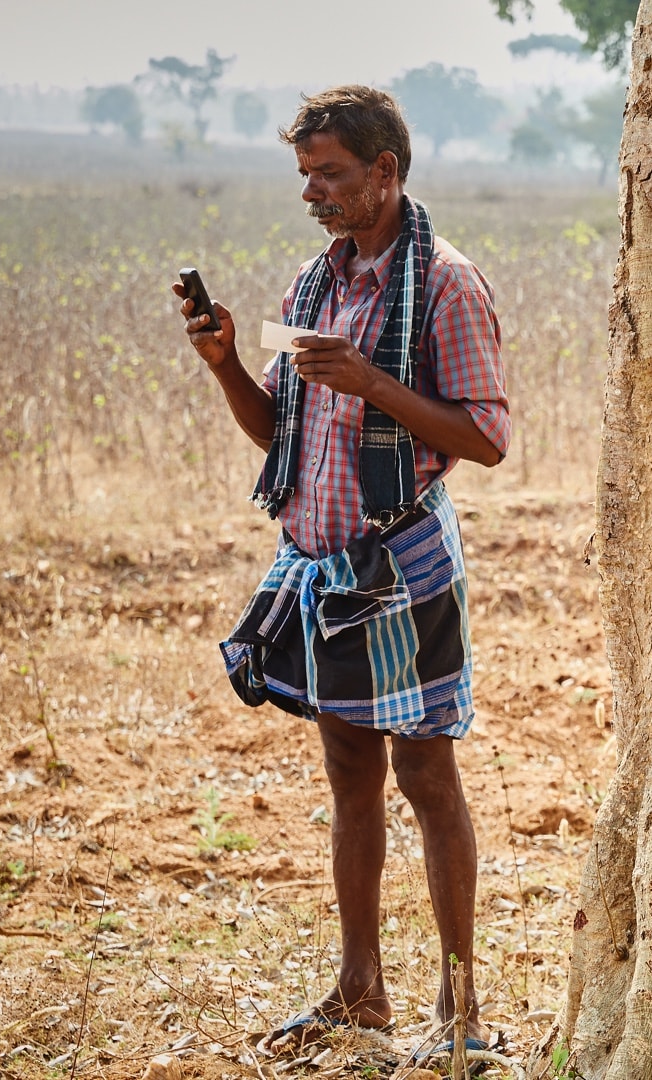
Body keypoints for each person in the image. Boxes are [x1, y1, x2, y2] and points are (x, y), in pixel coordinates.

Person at [173, 85, 508, 1058]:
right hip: (320, 563)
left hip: (402, 562)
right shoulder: (313, 288)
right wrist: (227, 361)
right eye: (305, 175)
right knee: (349, 774)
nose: (314, 193)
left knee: (428, 776)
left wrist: (371, 384)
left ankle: (461, 1015)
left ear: (386, 173)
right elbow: (278, 430)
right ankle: (360, 992)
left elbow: (485, 438)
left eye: (331, 174)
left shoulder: (447, 285)